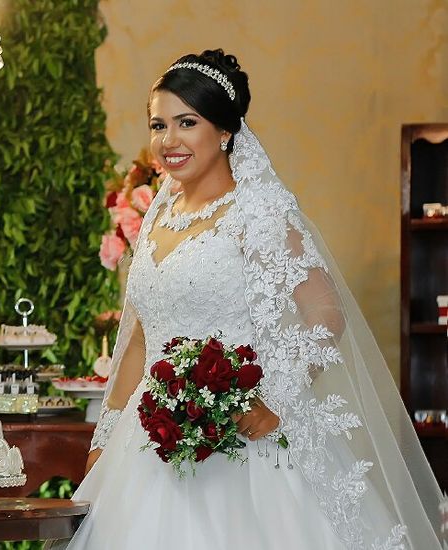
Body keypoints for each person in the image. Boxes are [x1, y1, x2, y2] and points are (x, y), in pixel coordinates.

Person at [54, 50, 445, 549]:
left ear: (224, 131)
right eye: (158, 125)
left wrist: (275, 400)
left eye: (186, 122)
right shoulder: (156, 213)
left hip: (241, 439)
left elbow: (325, 313)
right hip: (147, 443)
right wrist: (104, 440)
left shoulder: (258, 212)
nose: (168, 141)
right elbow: (138, 341)